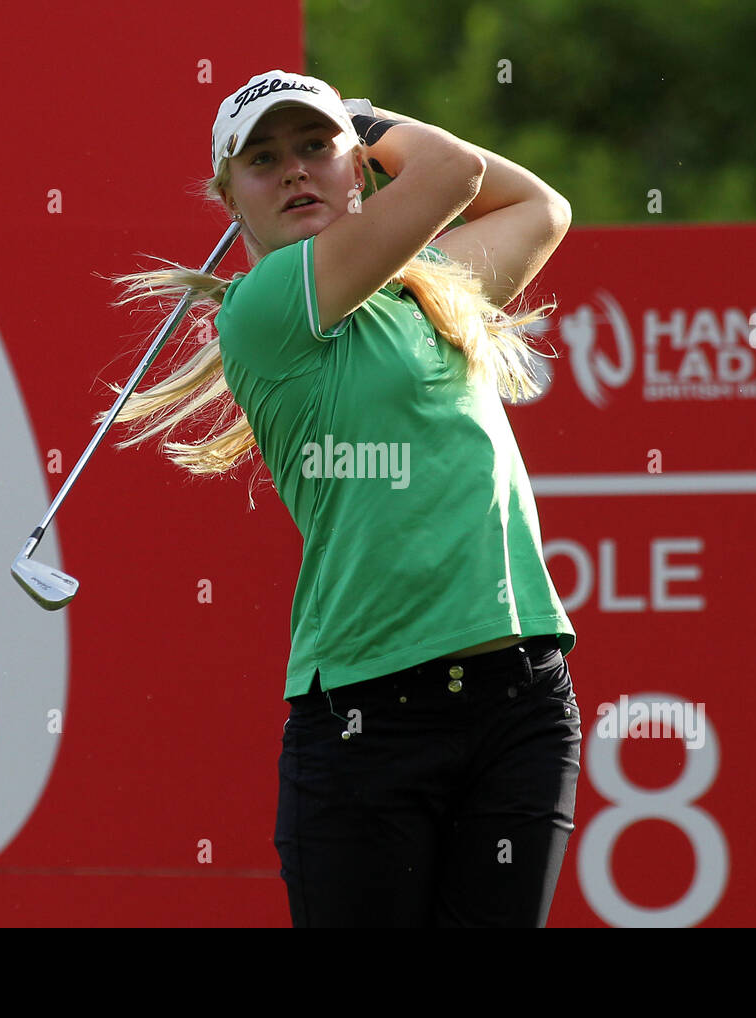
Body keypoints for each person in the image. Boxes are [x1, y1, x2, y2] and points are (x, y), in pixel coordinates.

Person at [105, 69, 580, 927]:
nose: (294, 171)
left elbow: (543, 210)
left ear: (355, 171)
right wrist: (364, 121)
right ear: (230, 203)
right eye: (264, 160)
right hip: (370, 718)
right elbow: (452, 177)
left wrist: (355, 133)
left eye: (314, 148)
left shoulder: (426, 284)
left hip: (521, 695)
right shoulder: (264, 308)